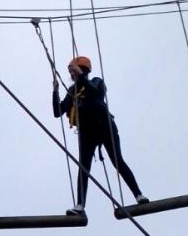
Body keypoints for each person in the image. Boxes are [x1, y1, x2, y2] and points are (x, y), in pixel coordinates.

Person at [52, 55, 148, 215]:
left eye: (73, 70)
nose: (72, 74)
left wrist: (81, 76)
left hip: (104, 126)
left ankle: (138, 194)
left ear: (82, 69)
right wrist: (55, 91)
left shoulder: (96, 82)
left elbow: (95, 93)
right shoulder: (72, 91)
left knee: (118, 161)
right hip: (87, 132)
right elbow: (58, 112)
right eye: (71, 71)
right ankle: (80, 206)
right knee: (84, 168)